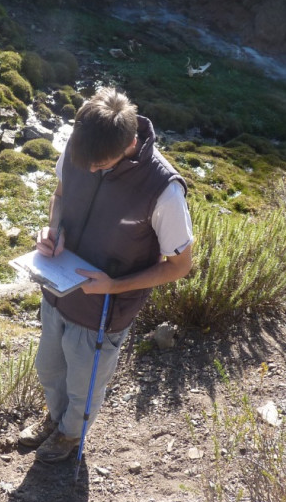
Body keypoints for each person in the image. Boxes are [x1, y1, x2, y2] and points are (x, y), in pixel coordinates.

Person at [19, 87, 194, 462]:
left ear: (131, 143)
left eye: (101, 166)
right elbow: (61, 194)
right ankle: (55, 419)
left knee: (84, 388)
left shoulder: (164, 191)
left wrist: (114, 286)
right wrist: (54, 230)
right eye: (88, 164)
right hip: (56, 289)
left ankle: (69, 436)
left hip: (103, 312)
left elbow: (181, 265)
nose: (93, 170)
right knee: (48, 369)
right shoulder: (81, 148)